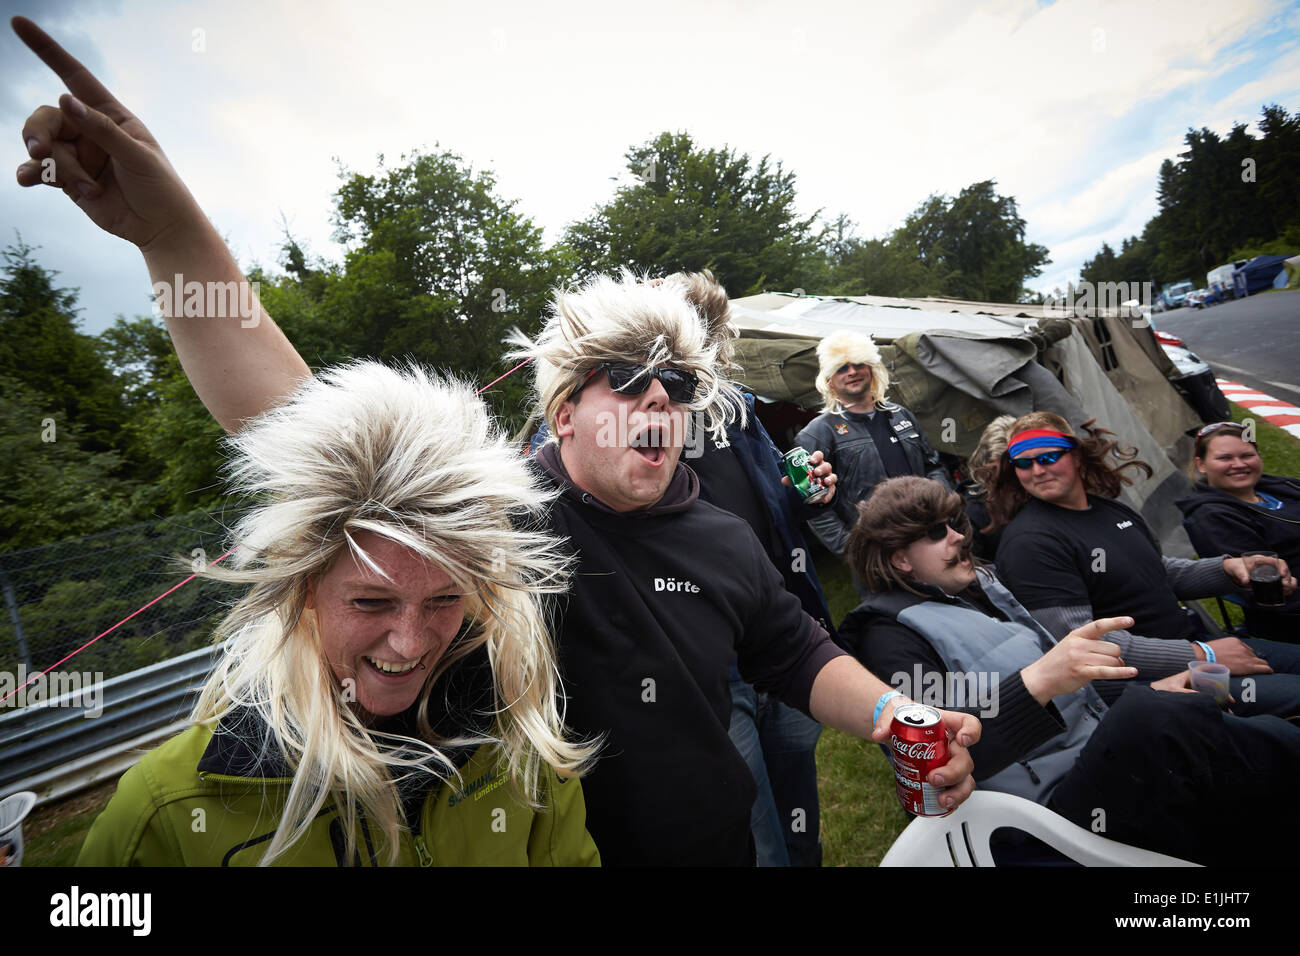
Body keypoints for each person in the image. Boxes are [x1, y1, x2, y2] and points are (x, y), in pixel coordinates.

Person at [16, 19, 980, 866]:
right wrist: (172, 237)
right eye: (625, 377)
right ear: (561, 412)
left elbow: (794, 652)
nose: (659, 396)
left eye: (679, 383)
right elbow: (297, 424)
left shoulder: (723, 533)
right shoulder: (505, 516)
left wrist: (898, 719)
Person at [76, 362, 599, 866]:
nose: (411, 644)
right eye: (371, 602)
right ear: (302, 586)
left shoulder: (519, 741)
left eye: (444, 598)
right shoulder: (167, 811)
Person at [837, 476, 1300, 866]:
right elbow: (932, 765)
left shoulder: (991, 584)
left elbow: (1084, 694)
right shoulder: (889, 633)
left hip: (1105, 752)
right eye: (936, 533)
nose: (959, 536)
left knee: (1213, 703)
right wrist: (1039, 681)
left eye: (955, 524)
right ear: (900, 560)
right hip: (1039, 819)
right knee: (1161, 718)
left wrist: (1163, 682)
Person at [987, 411, 1300, 714]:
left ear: (1078, 456)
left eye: (1048, 458)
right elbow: (1081, 646)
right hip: (1153, 685)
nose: (1037, 471)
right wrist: (1202, 654)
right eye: (1024, 464)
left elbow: (1156, 572)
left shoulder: (1109, 511)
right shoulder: (1031, 543)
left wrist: (1229, 569)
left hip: (1199, 647)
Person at [795, 329, 951, 560]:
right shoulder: (817, 433)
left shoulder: (902, 415)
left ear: (871, 368)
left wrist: (944, 505)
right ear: (829, 381)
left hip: (930, 532)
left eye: (858, 364)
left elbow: (933, 467)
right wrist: (855, 552)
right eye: (841, 368)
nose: (852, 372)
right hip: (879, 551)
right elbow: (814, 505)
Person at [1177, 421, 1300, 641]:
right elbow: (1268, 593)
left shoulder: (1279, 488)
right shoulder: (1213, 516)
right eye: (1225, 458)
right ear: (1201, 465)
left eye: (1247, 455)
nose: (1239, 464)